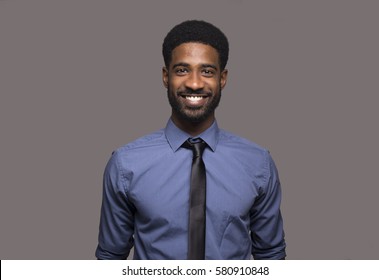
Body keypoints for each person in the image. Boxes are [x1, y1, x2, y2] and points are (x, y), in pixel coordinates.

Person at [95, 20, 286, 260]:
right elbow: (110, 258)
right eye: (182, 70)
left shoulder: (258, 163)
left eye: (207, 71)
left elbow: (271, 255)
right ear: (166, 76)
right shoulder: (126, 164)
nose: (194, 83)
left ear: (222, 79)